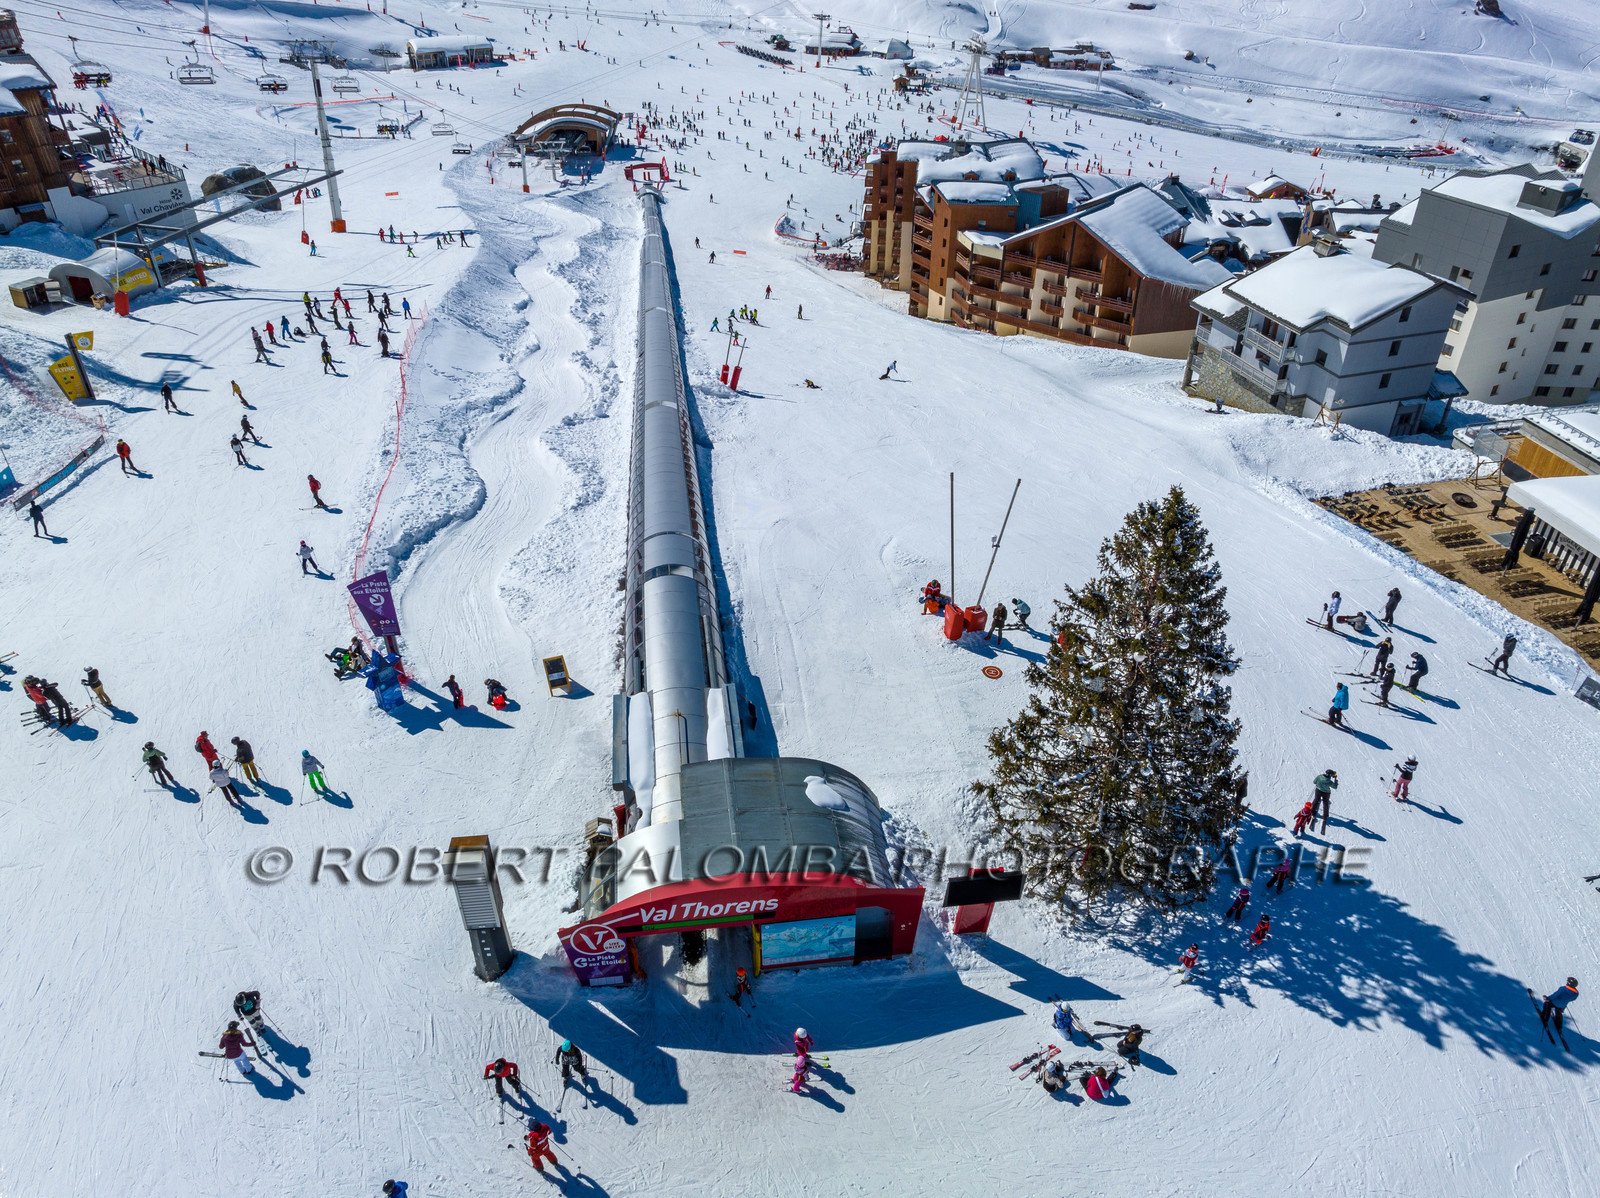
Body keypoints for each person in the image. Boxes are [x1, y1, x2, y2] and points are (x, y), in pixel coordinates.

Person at [1311, 769, 1337, 834]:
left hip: (1318, 790)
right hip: (1326, 793)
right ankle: (1325, 815)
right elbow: (1335, 787)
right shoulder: (1328, 781)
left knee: (1316, 800)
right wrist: (1335, 780)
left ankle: (1312, 811)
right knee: (1325, 804)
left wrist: (1318, 783)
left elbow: (1314, 782)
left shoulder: (1319, 776)